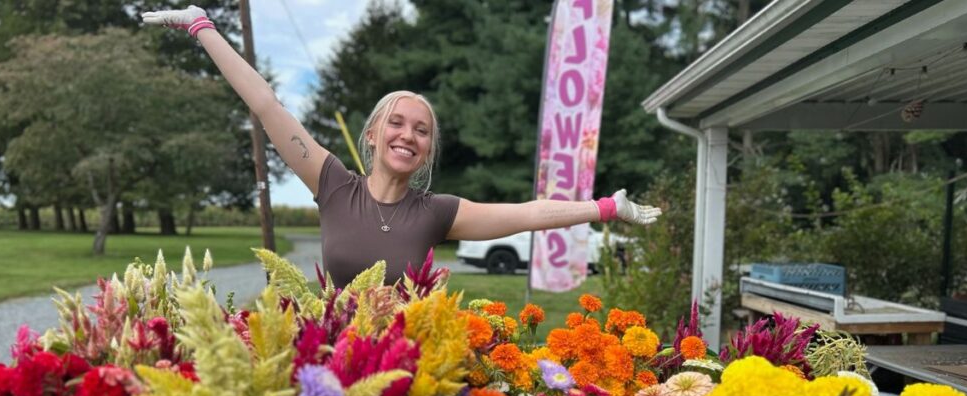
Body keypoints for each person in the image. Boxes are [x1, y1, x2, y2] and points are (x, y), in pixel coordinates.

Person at [141, 6, 662, 288]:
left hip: (409, 375)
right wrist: (201, 26)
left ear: (427, 149)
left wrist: (608, 208)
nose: (407, 135)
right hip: (332, 365)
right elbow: (268, 106)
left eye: (421, 130)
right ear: (373, 134)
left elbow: (528, 214)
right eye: (397, 123)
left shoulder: (436, 212)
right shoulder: (332, 184)